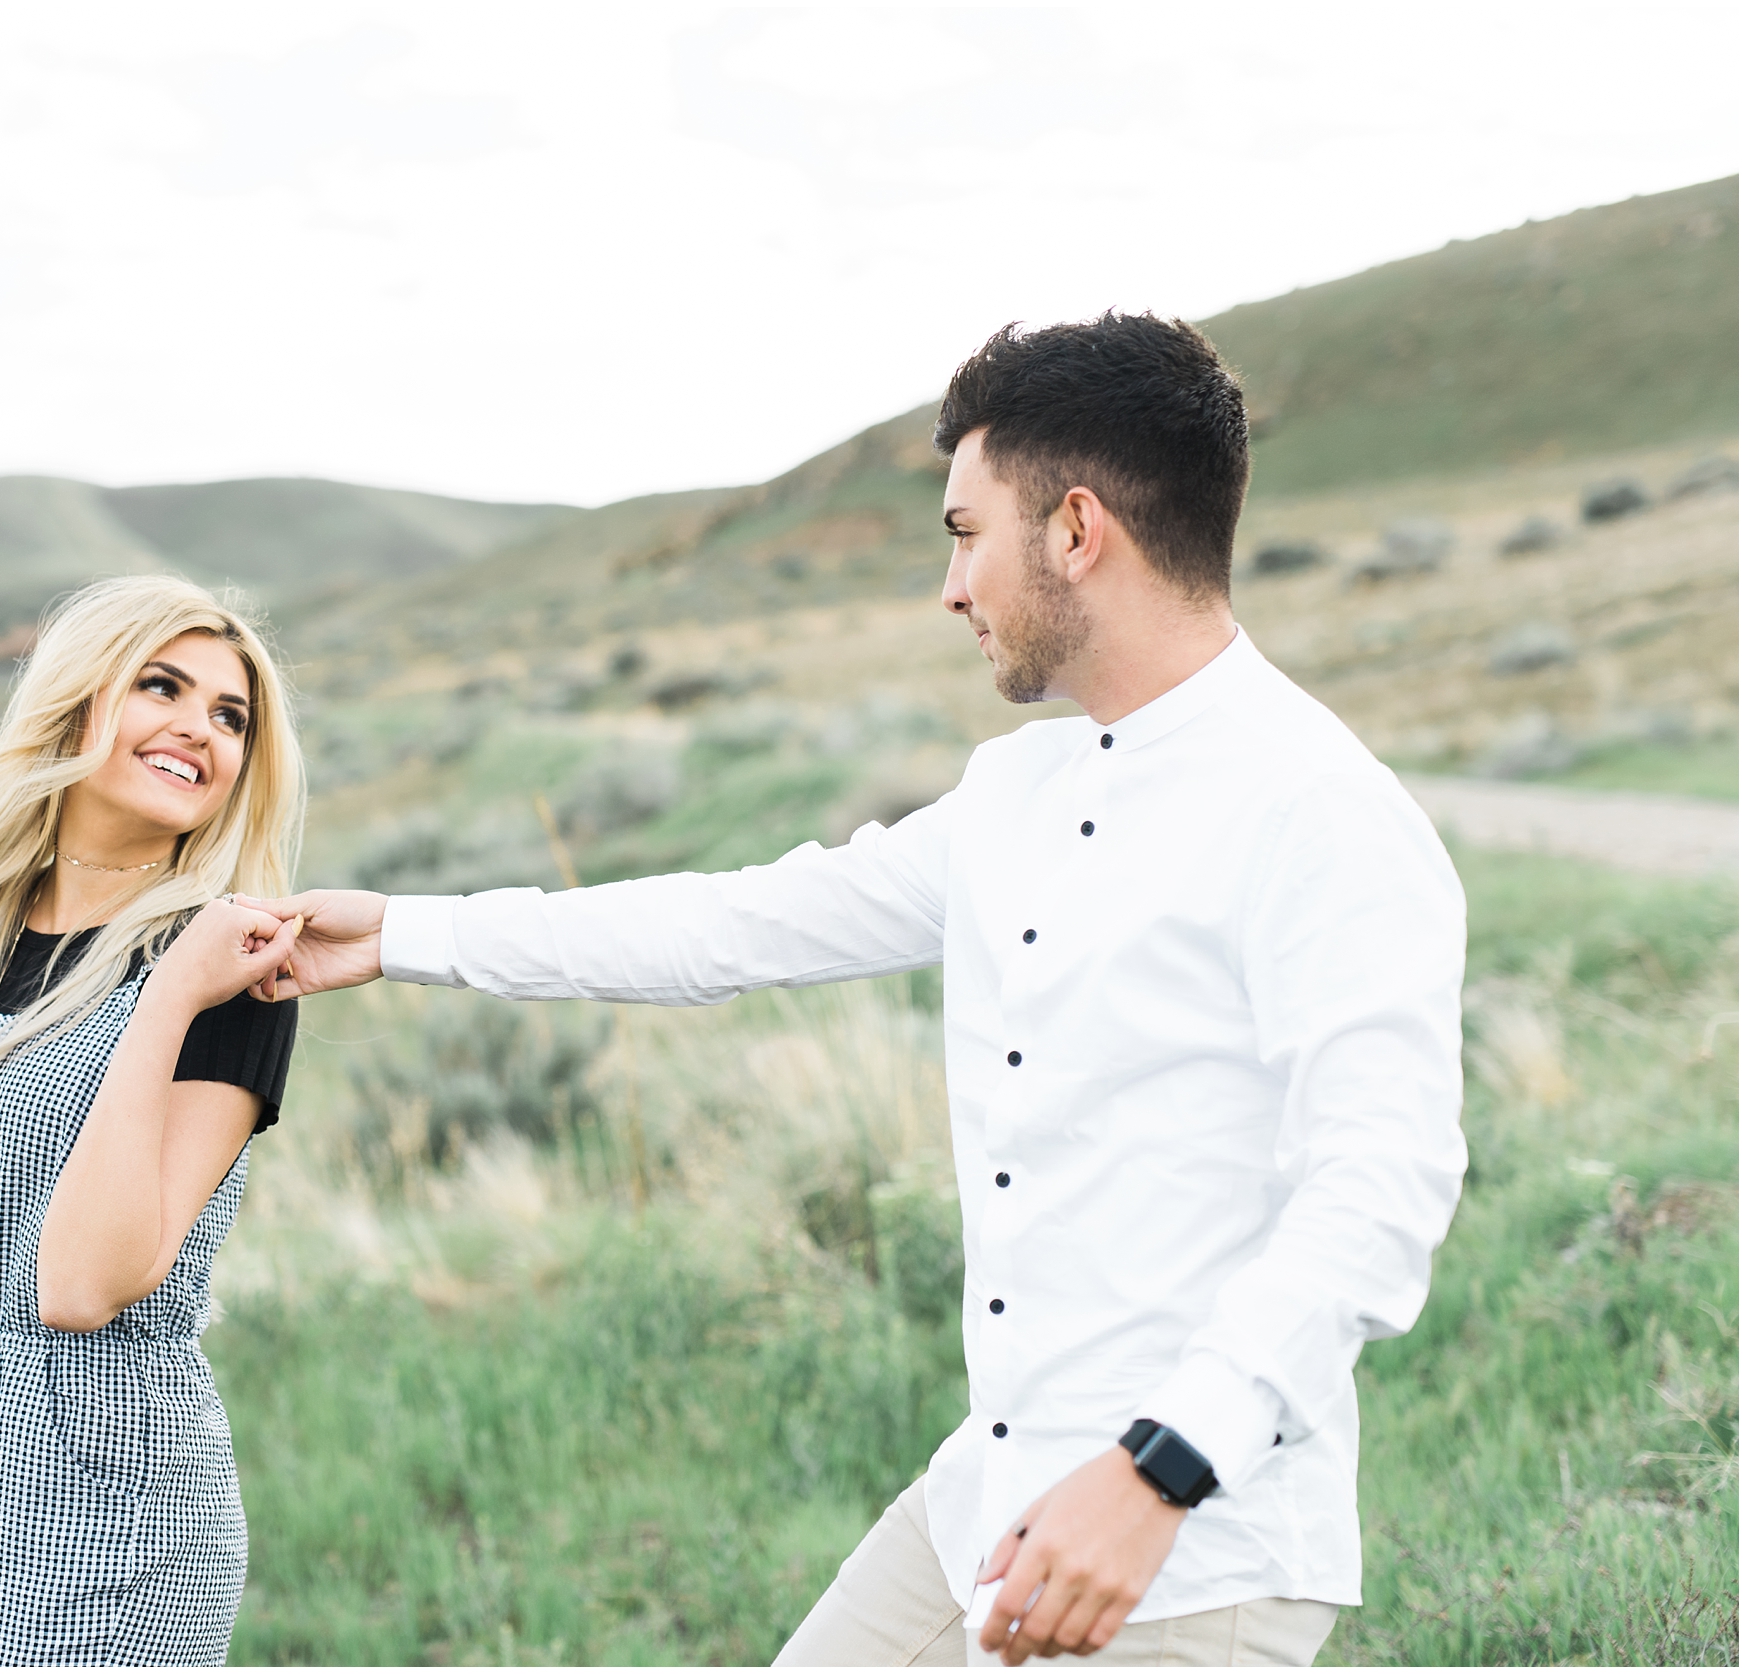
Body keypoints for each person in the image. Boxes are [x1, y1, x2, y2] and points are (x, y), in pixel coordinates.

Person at [249, 315, 1467, 1667]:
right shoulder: (1020, 786)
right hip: (981, 1513)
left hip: (1187, 1556)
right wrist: (407, 931)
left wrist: (1156, 1470)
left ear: (1075, 530)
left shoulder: (1319, 808)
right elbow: (734, 925)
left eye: (964, 531)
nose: (951, 586)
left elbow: (1381, 1185)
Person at [0, 574, 307, 1666]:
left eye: (230, 715)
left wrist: (166, 997)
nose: (199, 729)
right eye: (163, 687)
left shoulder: (227, 969)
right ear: (77, 702)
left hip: (113, 1510)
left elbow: (81, 1288)